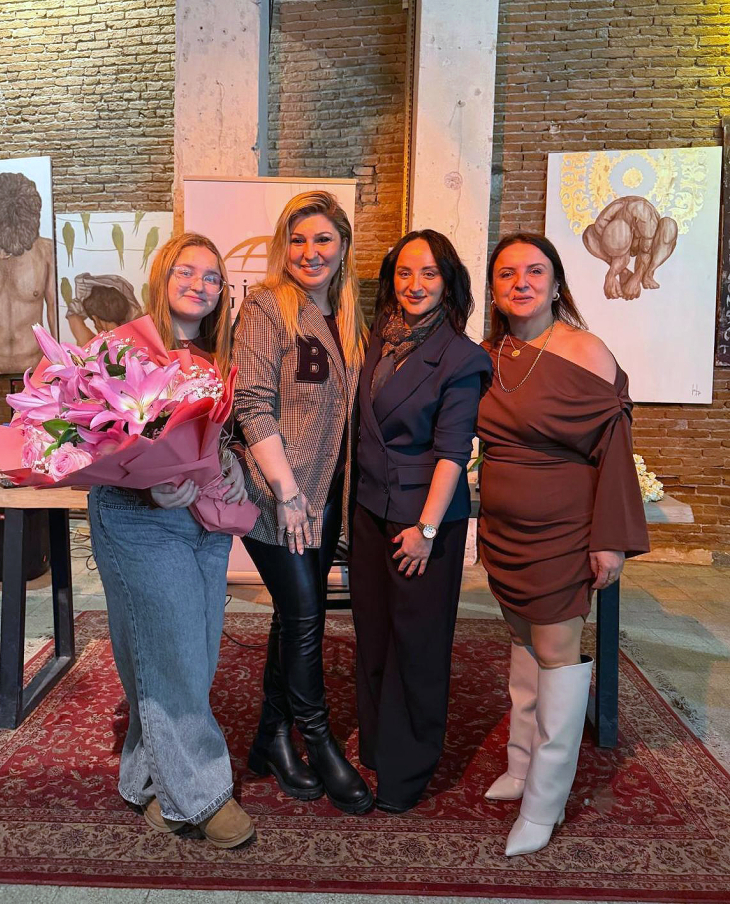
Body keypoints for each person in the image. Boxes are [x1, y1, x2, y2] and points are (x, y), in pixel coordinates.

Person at [476, 232, 649, 856]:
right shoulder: (486, 355)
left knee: (557, 655)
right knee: (524, 645)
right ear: (493, 288)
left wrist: (610, 540)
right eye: (507, 274)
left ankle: (544, 805)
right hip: (503, 534)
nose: (520, 283)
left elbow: (615, 450)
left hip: (564, 532)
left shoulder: (585, 350)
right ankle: (520, 766)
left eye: (534, 271)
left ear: (555, 283)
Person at [88, 232, 255, 848]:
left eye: (212, 277)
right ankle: (204, 793)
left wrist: (232, 463)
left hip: (205, 522)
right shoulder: (121, 349)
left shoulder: (218, 356)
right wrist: (148, 480)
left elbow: (222, 437)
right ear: (162, 275)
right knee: (175, 654)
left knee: (188, 653)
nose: (199, 285)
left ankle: (147, 782)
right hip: (137, 518)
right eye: (187, 271)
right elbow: (90, 438)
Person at [232, 191, 373, 814]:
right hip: (278, 497)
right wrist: (287, 494)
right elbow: (252, 404)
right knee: (307, 620)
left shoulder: (345, 314)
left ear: (342, 247)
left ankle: (270, 739)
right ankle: (317, 740)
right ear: (281, 247)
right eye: (297, 240)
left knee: (294, 618)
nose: (309, 252)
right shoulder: (268, 307)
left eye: (322, 240)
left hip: (326, 496)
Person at [349, 230, 492, 813]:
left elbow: (453, 453)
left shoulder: (461, 357)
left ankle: (408, 772)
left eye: (429, 274)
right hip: (369, 510)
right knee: (374, 635)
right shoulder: (380, 338)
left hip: (422, 523)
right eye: (405, 273)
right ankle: (379, 747)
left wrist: (428, 531)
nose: (415, 285)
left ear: (448, 282)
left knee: (418, 645)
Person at [0, 172, 57, 374]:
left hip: (35, 365)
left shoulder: (46, 252)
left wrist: (60, 364)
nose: (4, 254)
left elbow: (54, 311)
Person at [582, 196, 677, 300]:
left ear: (631, 232)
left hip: (648, 242)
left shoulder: (644, 216)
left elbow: (646, 252)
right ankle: (624, 272)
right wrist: (611, 275)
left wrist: (637, 278)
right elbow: (619, 255)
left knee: (669, 226)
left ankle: (649, 273)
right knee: (589, 235)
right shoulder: (602, 222)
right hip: (624, 235)